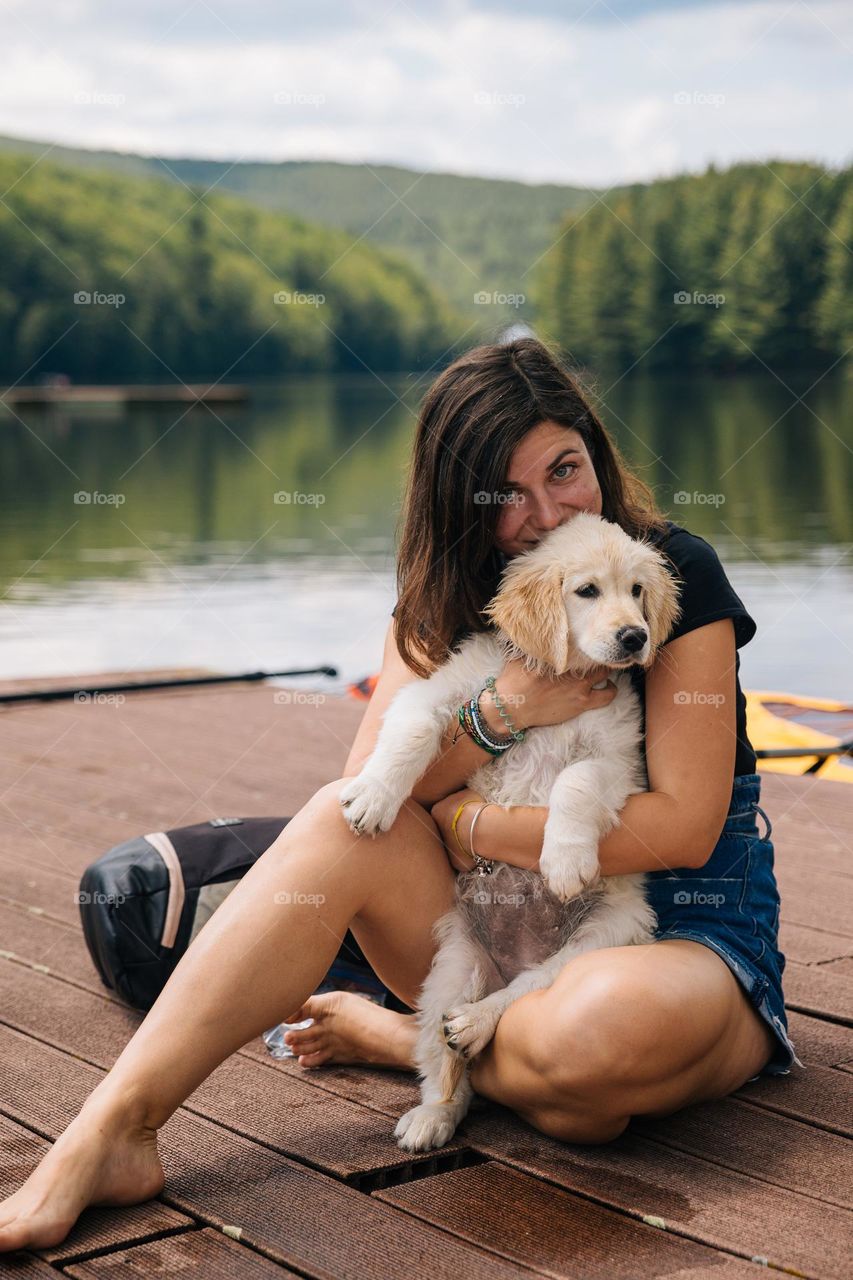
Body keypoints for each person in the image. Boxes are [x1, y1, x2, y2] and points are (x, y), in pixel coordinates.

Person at [0, 337, 799, 1253]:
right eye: (508, 493)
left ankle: (398, 1039)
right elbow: (369, 793)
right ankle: (111, 1131)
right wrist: (504, 711)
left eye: (565, 470)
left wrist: (470, 823)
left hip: (682, 934)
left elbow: (683, 830)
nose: (545, 514)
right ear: (463, 503)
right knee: (341, 823)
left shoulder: (666, 576)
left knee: (588, 1047)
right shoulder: (442, 600)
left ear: (595, 455)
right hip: (488, 927)